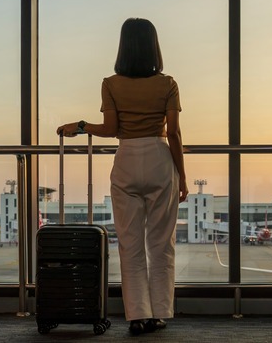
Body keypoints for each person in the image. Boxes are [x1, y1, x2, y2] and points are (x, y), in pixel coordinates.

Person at [57, 18, 189, 335]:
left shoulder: (111, 84)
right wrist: (182, 176)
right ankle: (160, 313)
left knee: (130, 245)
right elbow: (174, 133)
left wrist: (80, 126)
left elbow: (111, 130)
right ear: (154, 46)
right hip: (160, 159)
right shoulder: (168, 83)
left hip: (127, 158)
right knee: (161, 244)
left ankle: (137, 316)